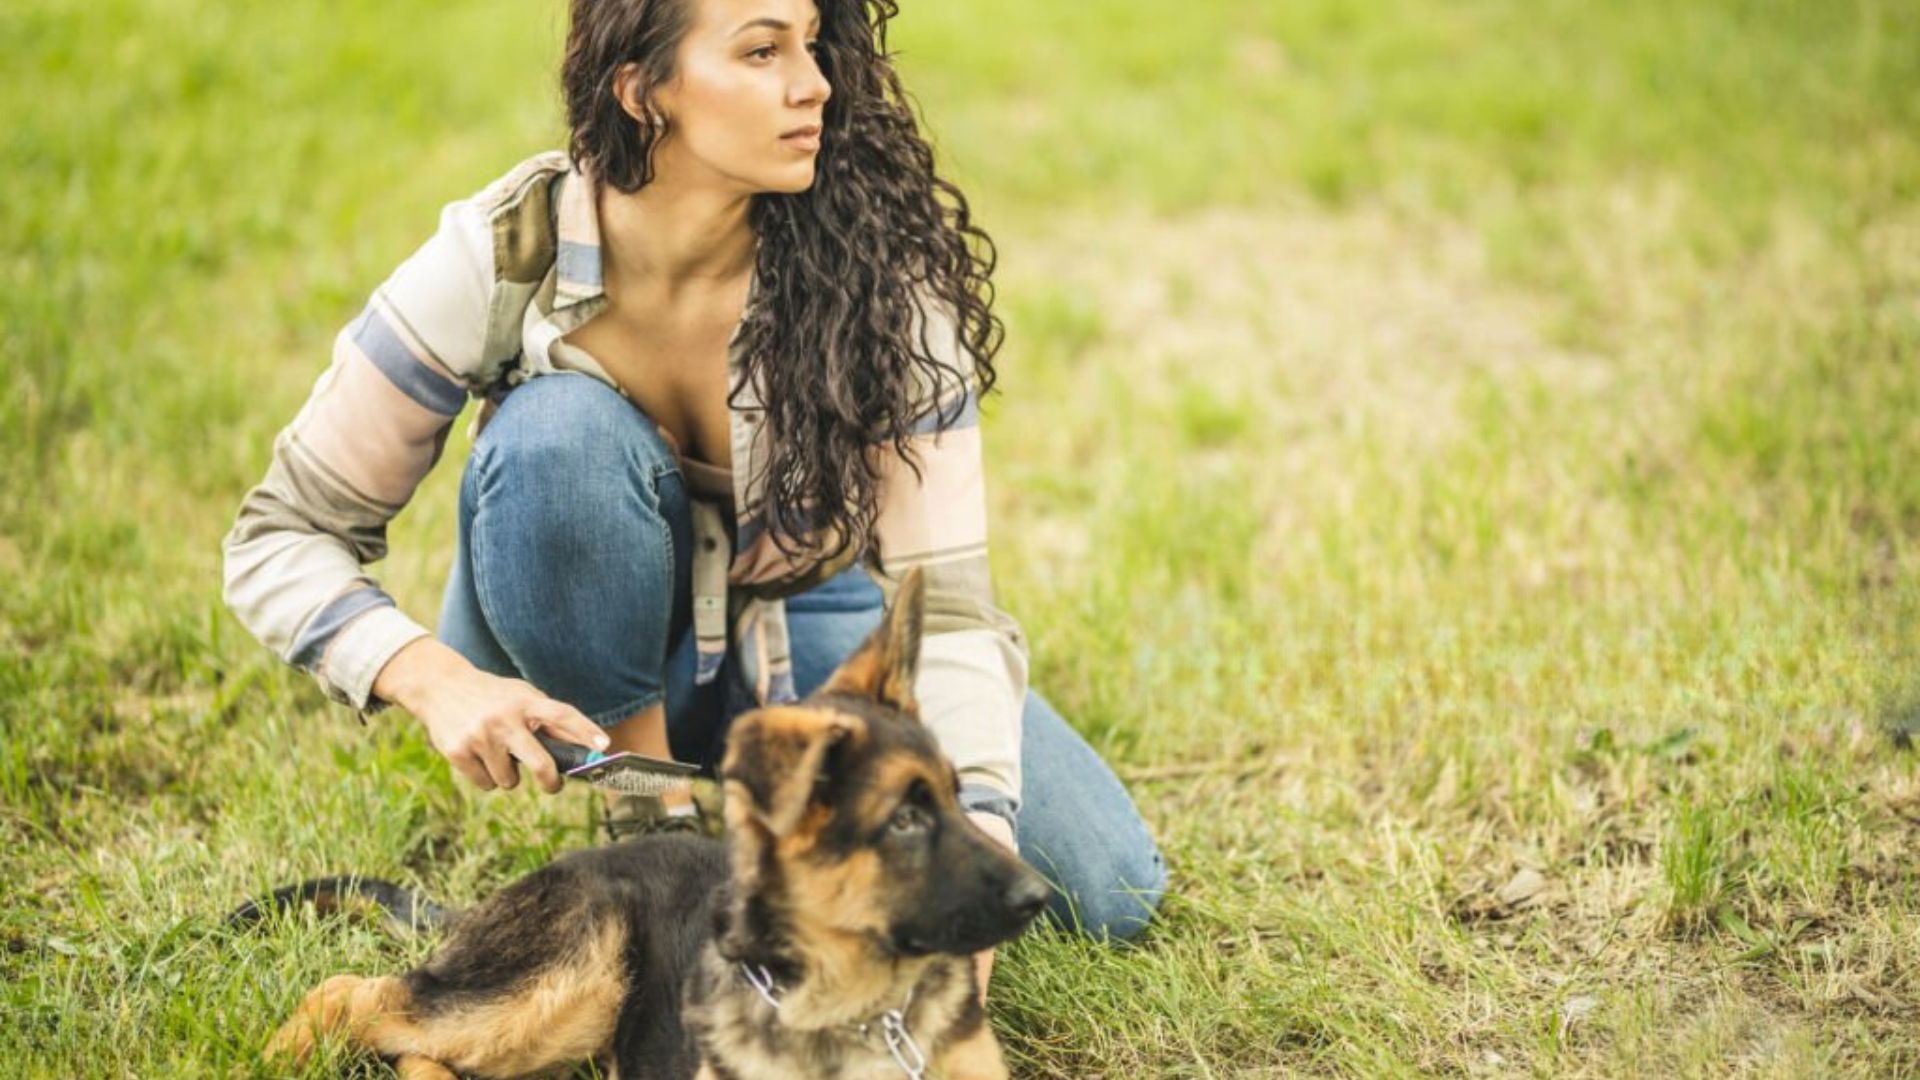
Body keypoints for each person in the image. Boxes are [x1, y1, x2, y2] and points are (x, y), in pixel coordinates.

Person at [219, 0, 1165, 991]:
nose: (815, 83)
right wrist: (429, 676)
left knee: (1107, 891)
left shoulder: (879, 273)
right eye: (762, 51)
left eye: (810, 44)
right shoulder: (500, 256)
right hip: (573, 626)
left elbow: (952, 603)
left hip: (798, 619)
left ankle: (736, 772)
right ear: (642, 89)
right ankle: (651, 809)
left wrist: (975, 816)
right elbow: (279, 534)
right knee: (560, 439)